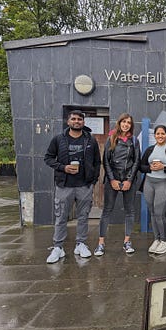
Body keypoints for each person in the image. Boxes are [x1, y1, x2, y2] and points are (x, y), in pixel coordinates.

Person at [44, 110, 101, 264]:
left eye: (80, 119)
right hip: (64, 185)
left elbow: (97, 162)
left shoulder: (90, 140)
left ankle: (81, 244)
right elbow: (48, 158)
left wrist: (93, 181)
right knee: (61, 216)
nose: (77, 121)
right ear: (68, 122)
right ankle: (58, 247)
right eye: (74, 119)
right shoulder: (58, 139)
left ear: (83, 122)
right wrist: (63, 167)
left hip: (84, 185)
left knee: (83, 217)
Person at [94, 113, 140, 256]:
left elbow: (136, 160)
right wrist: (112, 179)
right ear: (119, 123)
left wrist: (129, 180)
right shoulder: (111, 137)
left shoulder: (133, 140)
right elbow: (105, 161)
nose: (126, 124)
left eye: (129, 122)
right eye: (124, 121)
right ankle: (100, 243)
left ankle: (127, 241)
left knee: (129, 211)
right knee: (107, 210)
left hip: (128, 180)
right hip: (112, 179)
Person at [140, 125, 166, 255]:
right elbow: (142, 166)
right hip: (149, 182)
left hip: (163, 184)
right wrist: (150, 168)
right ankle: (156, 239)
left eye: (163, 134)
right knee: (152, 212)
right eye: (158, 134)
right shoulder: (150, 149)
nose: (160, 136)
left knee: (159, 213)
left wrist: (164, 167)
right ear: (155, 135)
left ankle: (165, 241)